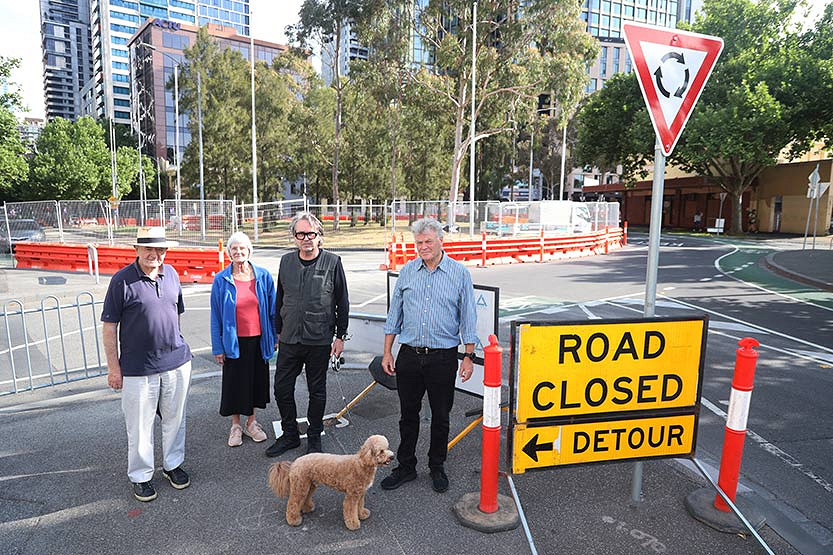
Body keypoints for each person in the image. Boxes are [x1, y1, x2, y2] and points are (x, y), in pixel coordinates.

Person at [380, 217, 477, 494]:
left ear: (441, 241)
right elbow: (394, 314)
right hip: (409, 355)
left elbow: (468, 317)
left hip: (443, 357)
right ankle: (406, 466)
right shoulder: (408, 271)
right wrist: (387, 351)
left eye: (428, 242)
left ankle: (437, 466)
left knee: (441, 416)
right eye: (419, 242)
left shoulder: (459, 274)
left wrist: (468, 355)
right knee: (407, 415)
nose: (423, 247)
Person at [102, 227, 193, 502]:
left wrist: (175, 341)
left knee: (176, 419)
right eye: (148, 250)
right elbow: (109, 328)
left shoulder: (172, 274)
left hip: (176, 363)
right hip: (137, 369)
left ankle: (172, 465)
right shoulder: (121, 281)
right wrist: (113, 369)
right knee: (140, 426)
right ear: (137, 250)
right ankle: (141, 477)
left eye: (160, 250)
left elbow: (176, 313)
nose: (155, 255)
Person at [266, 212, 349, 457]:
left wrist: (340, 336)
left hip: (319, 338)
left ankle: (314, 436)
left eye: (311, 234)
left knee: (317, 391)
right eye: (301, 234)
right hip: (290, 337)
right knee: (281, 388)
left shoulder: (333, 262)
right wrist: (277, 331)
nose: (306, 239)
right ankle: (290, 435)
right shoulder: (286, 262)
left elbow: (342, 302)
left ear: (319, 237)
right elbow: (280, 298)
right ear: (294, 237)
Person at [210, 232, 276, 447]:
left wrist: (274, 336)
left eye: (242, 249)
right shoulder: (221, 280)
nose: (238, 252)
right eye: (234, 249)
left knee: (255, 383)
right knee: (235, 384)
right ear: (229, 253)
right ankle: (236, 425)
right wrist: (218, 347)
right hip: (233, 342)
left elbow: (273, 310)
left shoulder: (263, 276)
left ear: (249, 251)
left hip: (258, 340)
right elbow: (216, 315)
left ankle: (252, 423)